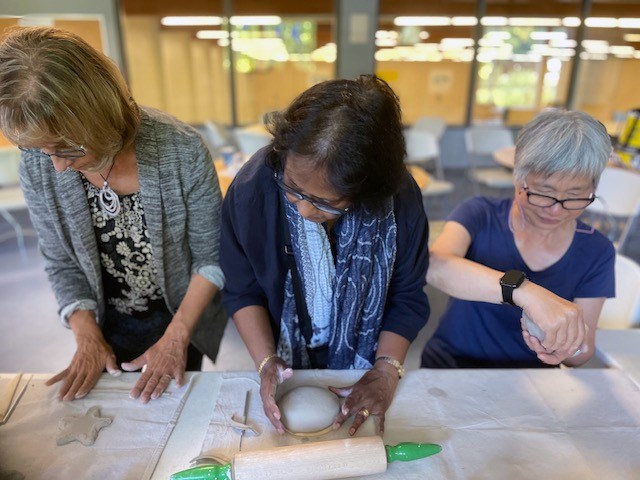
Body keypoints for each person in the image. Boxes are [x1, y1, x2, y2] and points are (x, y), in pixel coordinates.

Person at [0, 27, 227, 402]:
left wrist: (176, 338)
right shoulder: (39, 163)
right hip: (105, 318)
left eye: (66, 148)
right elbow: (61, 261)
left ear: (98, 116)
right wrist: (86, 333)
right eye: (43, 151)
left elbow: (210, 259)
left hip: (182, 313)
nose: (55, 167)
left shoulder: (181, 151)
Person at [220, 75, 430, 436]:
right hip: (284, 345)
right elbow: (243, 289)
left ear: (366, 191)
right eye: (292, 188)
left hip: (367, 354)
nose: (302, 210)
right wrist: (266, 361)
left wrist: (385, 370)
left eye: (323, 202)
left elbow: (406, 293)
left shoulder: (398, 200)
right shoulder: (253, 189)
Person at [421, 109, 615, 369]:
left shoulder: (596, 250)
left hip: (530, 379)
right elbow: (436, 266)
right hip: (450, 365)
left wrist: (564, 346)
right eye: (544, 193)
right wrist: (526, 293)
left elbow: (582, 349)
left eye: (575, 196)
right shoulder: (480, 213)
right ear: (518, 178)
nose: (556, 209)